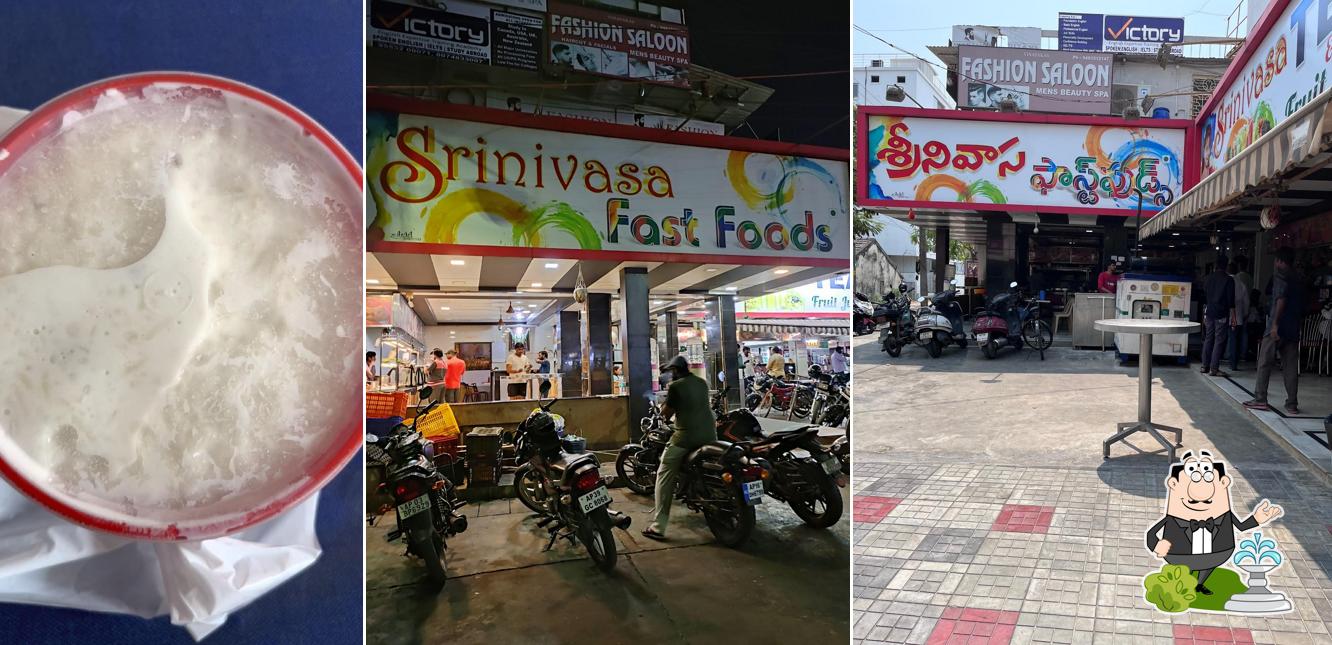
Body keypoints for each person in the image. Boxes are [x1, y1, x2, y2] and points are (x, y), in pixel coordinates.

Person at [1145, 451, 1282, 595]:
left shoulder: (1225, 515)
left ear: (1224, 483)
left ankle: (1199, 585)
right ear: (1173, 484)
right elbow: (1151, 533)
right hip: (1180, 555)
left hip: (1217, 553)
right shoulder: (1172, 518)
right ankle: (1184, 584)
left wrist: (1256, 519)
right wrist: (1156, 545)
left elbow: (1241, 526)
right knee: (1185, 571)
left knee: (1208, 566)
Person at [641, 355, 717, 540]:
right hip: (710, 434)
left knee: (664, 473)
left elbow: (667, 413)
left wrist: (661, 412)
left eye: (671, 371)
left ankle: (658, 526)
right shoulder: (701, 382)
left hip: (686, 437)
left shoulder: (676, 386)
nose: (670, 375)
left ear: (675, 371)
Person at [1245, 248, 1305, 413]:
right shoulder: (1299, 278)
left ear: (1280, 261)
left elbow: (1281, 300)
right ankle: (1292, 403)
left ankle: (1260, 398)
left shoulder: (1280, 276)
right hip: (1293, 328)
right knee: (1290, 367)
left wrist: (1275, 324)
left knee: (1264, 362)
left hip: (1277, 328)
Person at [1200, 257, 1234, 377]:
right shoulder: (1228, 280)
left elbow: (1204, 295)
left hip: (1209, 311)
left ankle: (1204, 365)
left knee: (1208, 338)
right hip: (1221, 312)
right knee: (1219, 340)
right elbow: (1230, 300)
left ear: (1215, 265)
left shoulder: (1208, 278)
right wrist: (1233, 316)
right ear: (1226, 266)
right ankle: (1214, 368)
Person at [1226, 260, 1251, 371]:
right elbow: (1246, 302)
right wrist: (1245, 314)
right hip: (1238, 316)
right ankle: (1234, 362)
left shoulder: (1225, 281)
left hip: (1225, 315)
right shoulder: (1241, 284)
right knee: (1235, 340)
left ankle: (1222, 358)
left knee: (1222, 339)